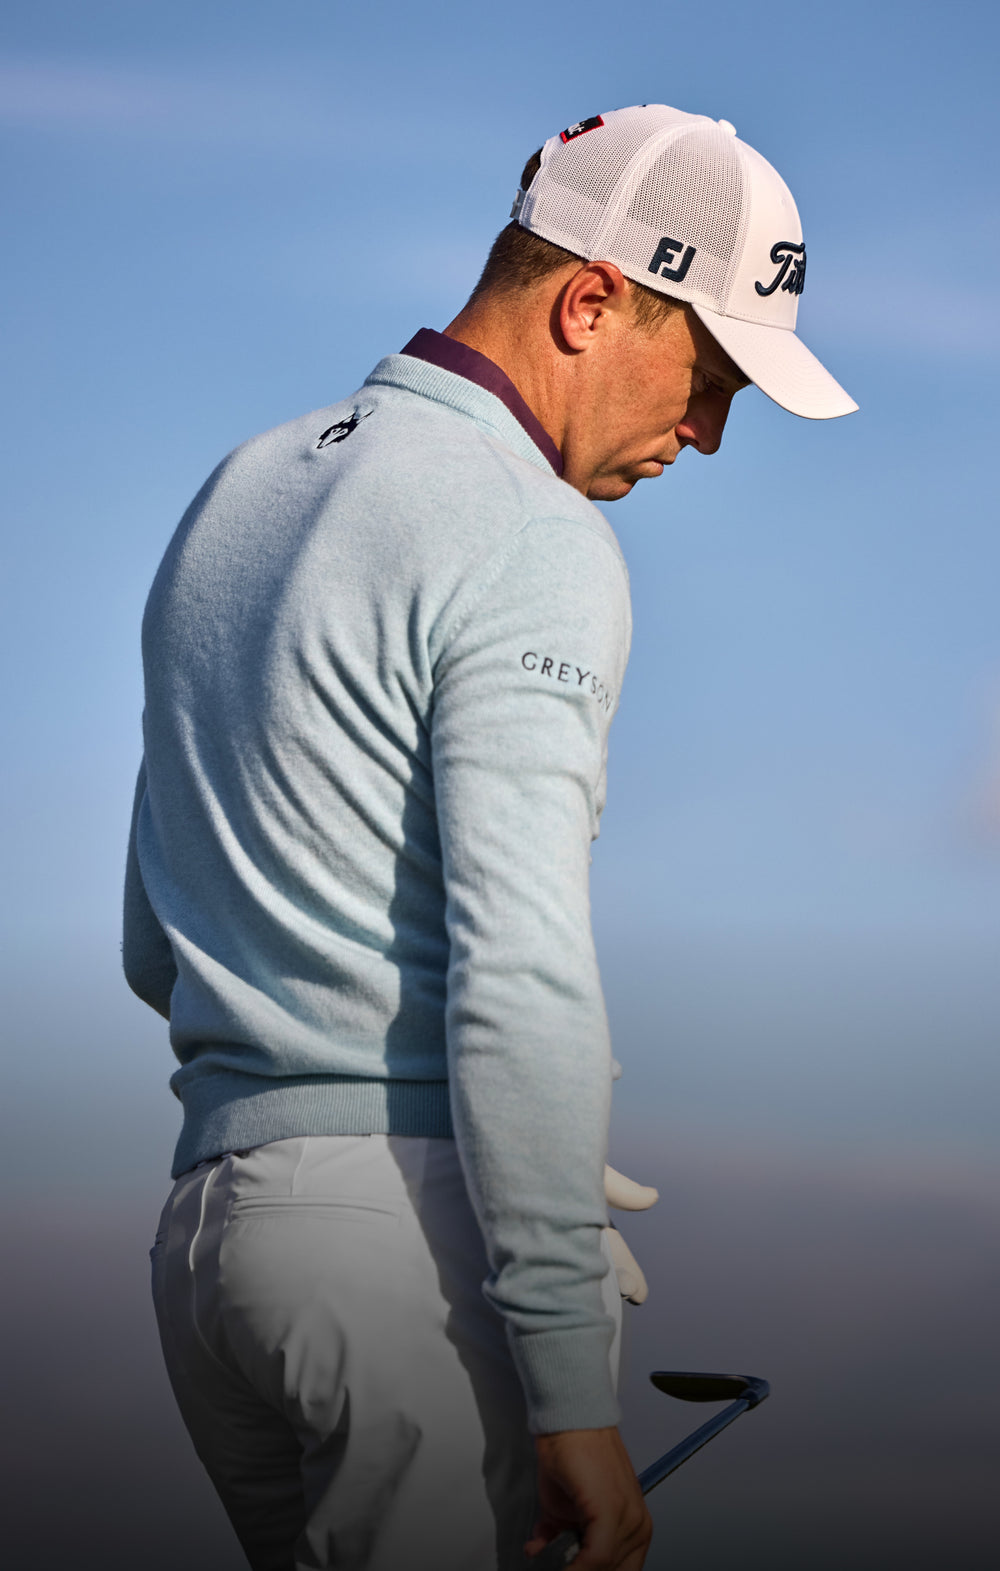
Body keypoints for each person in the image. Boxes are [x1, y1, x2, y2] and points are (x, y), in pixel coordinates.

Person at [124, 104, 855, 1571]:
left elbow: (157, 946)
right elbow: (520, 973)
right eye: (707, 375)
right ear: (591, 300)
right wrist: (566, 1364)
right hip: (397, 1253)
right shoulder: (532, 535)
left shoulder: (242, 490)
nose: (706, 435)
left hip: (212, 1254)